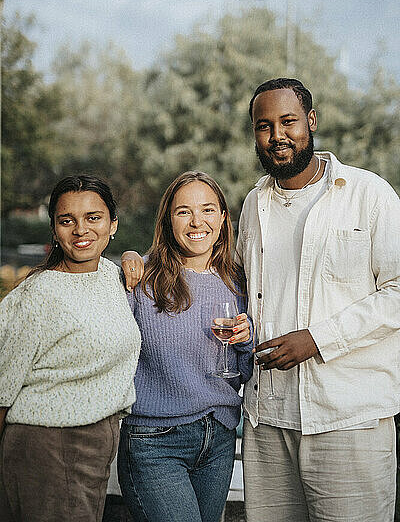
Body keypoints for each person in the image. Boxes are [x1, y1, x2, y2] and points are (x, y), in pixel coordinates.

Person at [236, 77, 400, 522]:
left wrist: (318, 339)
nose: (277, 137)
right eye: (263, 126)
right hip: (267, 419)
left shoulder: (369, 195)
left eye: (288, 122)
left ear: (311, 121)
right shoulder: (254, 204)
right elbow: (229, 282)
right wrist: (139, 260)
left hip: (349, 417)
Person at [0, 175, 141, 522]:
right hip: (46, 445)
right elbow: (1, 390)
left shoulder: (111, 275)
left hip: (96, 445)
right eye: (67, 220)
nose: (81, 230)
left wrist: (134, 254)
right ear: (54, 229)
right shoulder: (38, 294)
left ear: (113, 225)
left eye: (93, 217)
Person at [118, 170, 253, 522]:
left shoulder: (239, 280)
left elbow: (247, 371)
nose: (197, 221)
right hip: (154, 441)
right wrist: (130, 255)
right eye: (183, 212)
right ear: (167, 220)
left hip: (219, 436)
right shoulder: (140, 278)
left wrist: (246, 338)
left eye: (208, 210)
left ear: (223, 219)